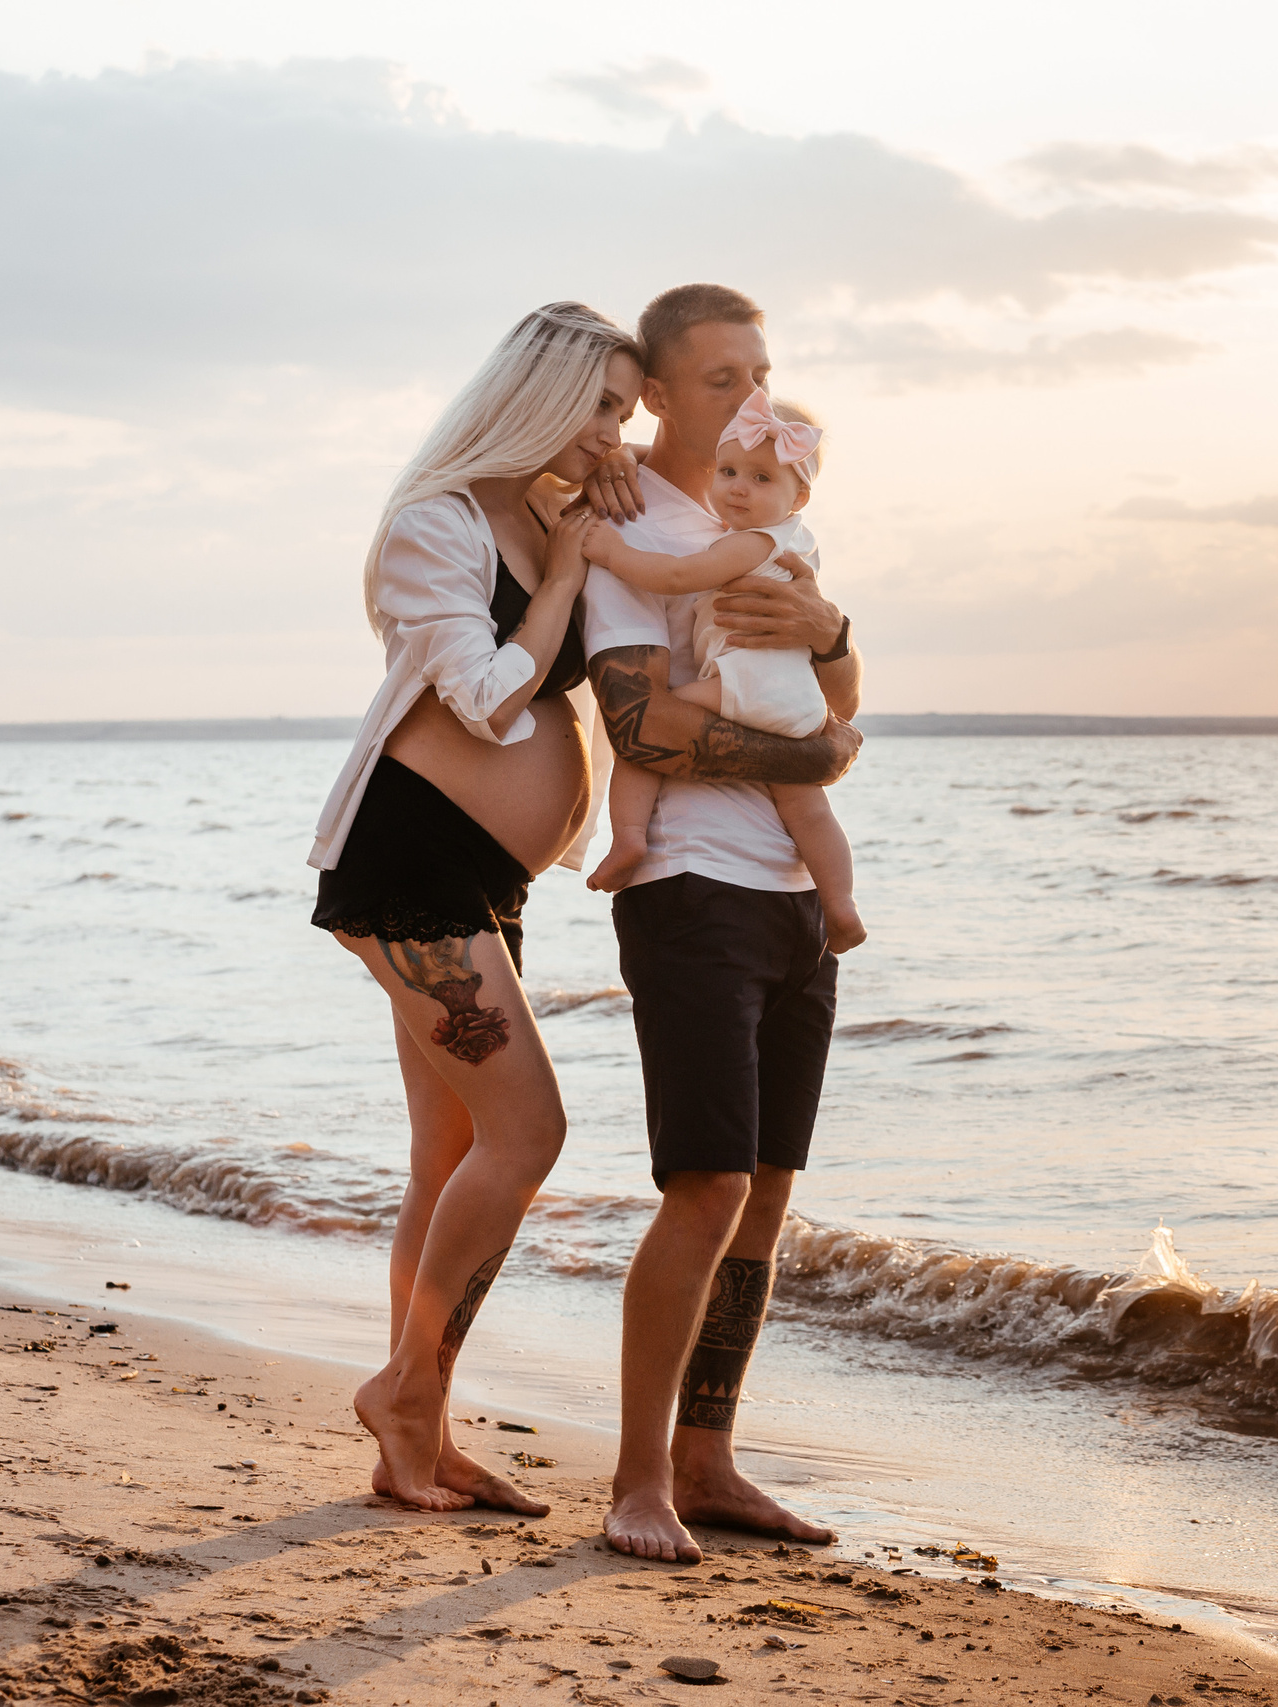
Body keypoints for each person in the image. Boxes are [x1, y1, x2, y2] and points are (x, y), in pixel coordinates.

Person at [306, 301, 645, 1514]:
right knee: (528, 1137)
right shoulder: (435, 522)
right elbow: (491, 703)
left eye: (628, 408)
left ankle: (419, 1431)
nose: (618, 429)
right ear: (544, 395)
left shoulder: (557, 511)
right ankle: (403, 1392)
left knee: (450, 1153)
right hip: (412, 873)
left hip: (480, 885)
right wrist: (559, 577)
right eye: (603, 403)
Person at [573, 282, 863, 1563]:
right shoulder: (631, 519)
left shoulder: (776, 508)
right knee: (706, 1188)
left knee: (767, 1199)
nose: (745, 397)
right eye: (715, 378)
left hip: (794, 902)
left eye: (759, 372)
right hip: (691, 887)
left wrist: (834, 631)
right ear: (655, 389)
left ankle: (711, 1459)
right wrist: (813, 760)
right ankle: (637, 1481)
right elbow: (643, 724)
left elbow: (836, 702)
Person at [581, 386, 864, 954]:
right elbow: (844, 704)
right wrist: (628, 454)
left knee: (647, 732)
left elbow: (681, 575)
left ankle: (629, 837)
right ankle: (840, 904)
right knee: (808, 808)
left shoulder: (750, 544)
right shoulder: (797, 544)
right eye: (729, 470)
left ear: (798, 494)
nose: (737, 487)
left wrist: (612, 553)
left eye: (761, 479)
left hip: (743, 684)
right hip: (798, 700)